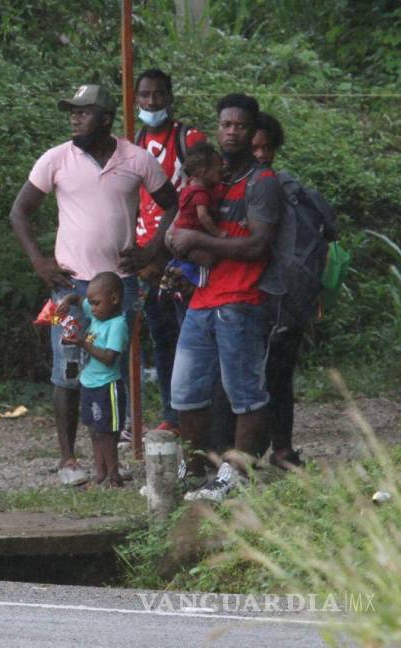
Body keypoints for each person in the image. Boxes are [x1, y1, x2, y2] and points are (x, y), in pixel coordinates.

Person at [9, 83, 179, 485]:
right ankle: (69, 460)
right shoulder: (56, 159)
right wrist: (39, 262)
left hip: (121, 285)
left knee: (110, 368)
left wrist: (153, 249)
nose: (74, 117)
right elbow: (20, 212)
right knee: (67, 370)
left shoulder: (135, 159)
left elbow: (173, 203)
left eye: (83, 112)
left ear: (105, 118)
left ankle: (110, 466)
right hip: (70, 287)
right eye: (71, 111)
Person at [165, 93, 283, 502]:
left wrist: (195, 238)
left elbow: (258, 246)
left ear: (253, 132)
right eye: (226, 124)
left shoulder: (261, 182)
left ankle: (236, 473)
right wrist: (176, 243)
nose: (232, 131)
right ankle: (194, 468)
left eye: (241, 125)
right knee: (185, 392)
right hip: (201, 299)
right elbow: (181, 230)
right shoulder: (213, 180)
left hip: (241, 301)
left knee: (245, 393)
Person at [252, 112, 337, 469]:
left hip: (265, 296)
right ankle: (281, 450)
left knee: (262, 374)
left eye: (265, 147)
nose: (259, 154)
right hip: (285, 298)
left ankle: (252, 451)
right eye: (254, 147)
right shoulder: (289, 188)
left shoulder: (258, 187)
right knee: (277, 374)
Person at [132, 69, 207, 436]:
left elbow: (203, 185)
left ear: (169, 96)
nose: (151, 102)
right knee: (162, 339)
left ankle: (199, 413)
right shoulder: (135, 140)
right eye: (144, 95)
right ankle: (172, 415)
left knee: (189, 335)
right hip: (146, 259)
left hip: (181, 253)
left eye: (158, 95)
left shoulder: (188, 137)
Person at [58, 272, 129, 487]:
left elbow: (109, 357)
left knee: (107, 432)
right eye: (91, 303)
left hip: (107, 385)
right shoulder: (98, 312)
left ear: (114, 300)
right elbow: (81, 301)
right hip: (90, 383)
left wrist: (83, 344)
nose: (92, 308)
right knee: (94, 429)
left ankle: (114, 475)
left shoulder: (116, 324)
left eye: (96, 303)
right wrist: (69, 300)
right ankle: (100, 472)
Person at [164, 142, 225, 289]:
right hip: (192, 233)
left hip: (177, 231)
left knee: (185, 258)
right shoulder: (201, 194)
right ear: (204, 172)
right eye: (218, 170)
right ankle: (185, 274)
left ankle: (174, 269)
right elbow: (203, 217)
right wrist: (218, 234)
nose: (222, 171)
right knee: (205, 271)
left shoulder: (188, 187)